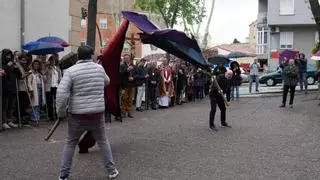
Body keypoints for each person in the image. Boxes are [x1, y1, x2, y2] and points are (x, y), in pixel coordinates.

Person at [56, 45, 119, 180]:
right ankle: (112, 170)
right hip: (97, 113)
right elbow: (107, 82)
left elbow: (61, 93)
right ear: (91, 55)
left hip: (77, 115)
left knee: (70, 142)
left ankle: (63, 174)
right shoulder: (99, 68)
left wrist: (60, 113)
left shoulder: (71, 71)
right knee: (102, 141)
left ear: (78, 56)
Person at [1, 49, 19, 129]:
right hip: (4, 88)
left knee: (11, 106)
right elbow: (4, 72)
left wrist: (17, 67)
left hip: (13, 87)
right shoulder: (2, 65)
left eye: (9, 55)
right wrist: (9, 66)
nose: (8, 56)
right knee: (5, 106)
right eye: (7, 55)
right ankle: (4, 121)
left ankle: (9, 120)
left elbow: (18, 74)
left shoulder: (12, 64)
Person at [27, 59, 46, 124]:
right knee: (35, 103)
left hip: (40, 88)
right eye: (35, 64)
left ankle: (37, 116)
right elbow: (29, 82)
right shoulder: (30, 72)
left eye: (37, 64)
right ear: (32, 65)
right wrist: (31, 89)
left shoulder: (40, 73)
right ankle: (34, 117)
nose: (36, 65)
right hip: (34, 89)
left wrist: (43, 75)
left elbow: (45, 80)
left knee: (39, 102)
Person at [44, 55, 62, 121]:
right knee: (50, 102)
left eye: (53, 60)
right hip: (49, 87)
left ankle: (57, 115)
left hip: (56, 86)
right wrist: (47, 67)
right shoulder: (47, 68)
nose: (52, 62)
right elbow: (43, 73)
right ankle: (50, 116)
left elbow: (60, 78)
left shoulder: (57, 68)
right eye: (51, 60)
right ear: (49, 61)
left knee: (57, 101)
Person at [120, 54, 135, 118]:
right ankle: (123, 112)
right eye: (125, 58)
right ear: (124, 59)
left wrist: (133, 78)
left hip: (131, 84)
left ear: (129, 59)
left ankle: (129, 112)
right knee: (124, 99)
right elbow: (120, 74)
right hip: (125, 85)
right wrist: (127, 70)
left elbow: (136, 74)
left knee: (130, 99)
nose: (127, 59)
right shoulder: (122, 65)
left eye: (128, 58)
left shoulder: (133, 65)